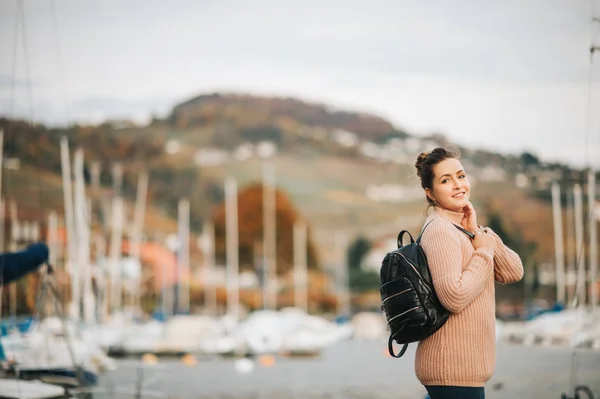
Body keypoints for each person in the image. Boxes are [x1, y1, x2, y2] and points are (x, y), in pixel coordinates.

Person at [413, 148, 524, 399]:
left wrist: (477, 231)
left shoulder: (461, 228)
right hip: (451, 368)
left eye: (461, 176)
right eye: (445, 180)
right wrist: (483, 253)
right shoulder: (440, 230)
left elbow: (514, 271)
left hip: (462, 370)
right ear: (430, 193)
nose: (457, 185)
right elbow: (453, 296)